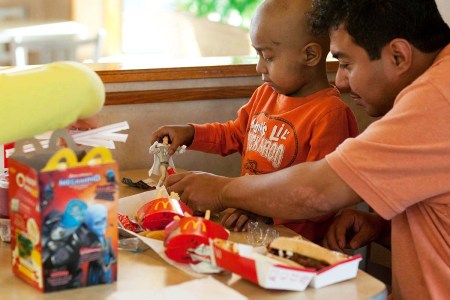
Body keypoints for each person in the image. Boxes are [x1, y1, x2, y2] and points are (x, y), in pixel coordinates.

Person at [164, 0, 450, 298]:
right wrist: (382, 230)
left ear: (398, 55)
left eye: (346, 64)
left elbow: (318, 192)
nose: (340, 80)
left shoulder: (436, 100)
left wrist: (223, 191)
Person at [151, 0, 358, 242]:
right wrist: (190, 133)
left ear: (310, 55)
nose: (259, 66)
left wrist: (264, 210)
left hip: (294, 245)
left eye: (268, 56)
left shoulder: (330, 114)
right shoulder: (265, 94)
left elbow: (322, 201)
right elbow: (234, 134)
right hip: (250, 229)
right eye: (257, 53)